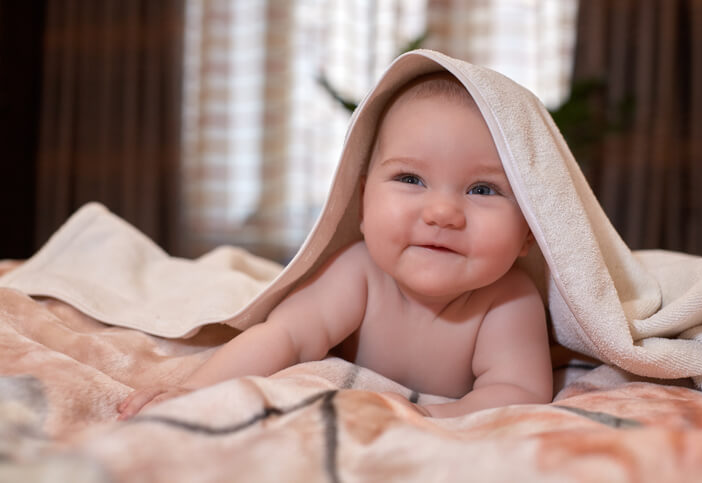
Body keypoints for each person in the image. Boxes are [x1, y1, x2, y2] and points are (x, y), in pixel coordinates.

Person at [117, 72, 553, 420]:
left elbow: (518, 392)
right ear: (361, 202)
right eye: (410, 179)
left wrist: (432, 416)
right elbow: (286, 335)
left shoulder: (509, 300)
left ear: (529, 232)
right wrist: (194, 390)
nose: (442, 212)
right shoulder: (361, 271)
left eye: (482, 190)